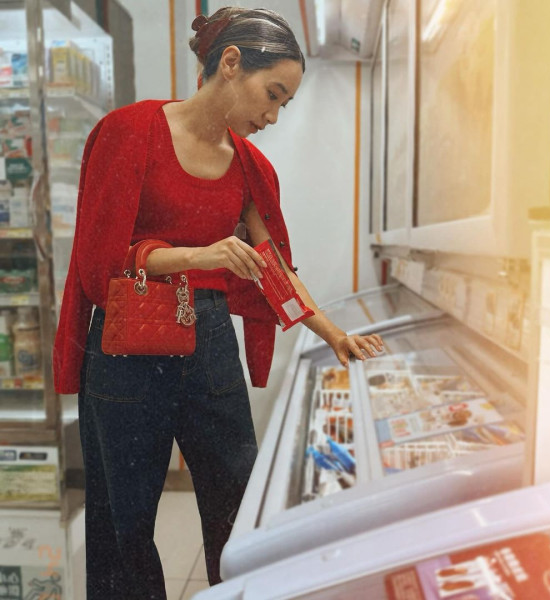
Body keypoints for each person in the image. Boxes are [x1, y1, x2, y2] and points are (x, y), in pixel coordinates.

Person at [53, 6, 383, 599]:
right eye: (272, 94)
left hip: (207, 345)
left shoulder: (250, 168)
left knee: (237, 503)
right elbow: (100, 262)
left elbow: (274, 267)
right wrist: (196, 257)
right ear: (229, 63)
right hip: (126, 345)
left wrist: (333, 334)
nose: (273, 115)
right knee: (122, 519)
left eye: (284, 103)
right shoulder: (130, 131)